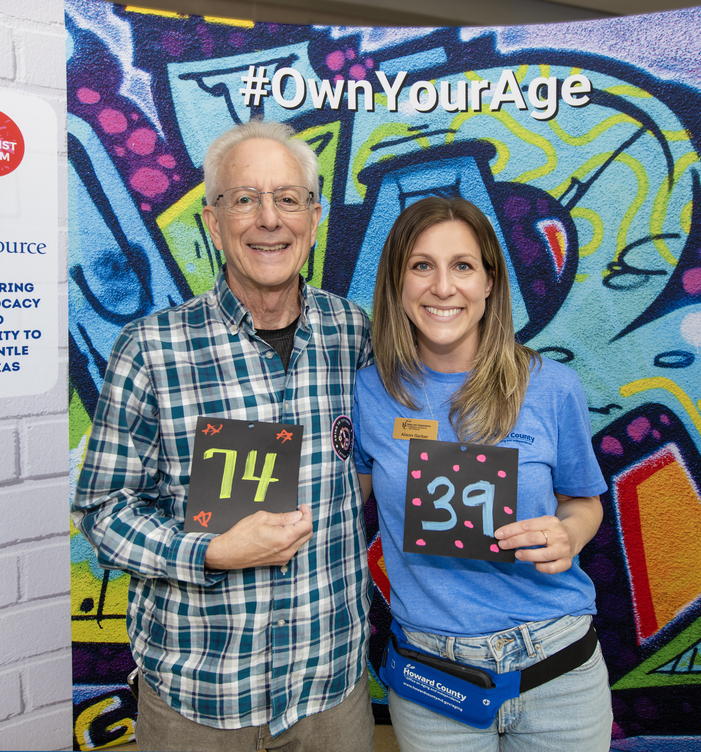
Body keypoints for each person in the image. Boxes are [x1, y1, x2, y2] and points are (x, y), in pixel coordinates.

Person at [73, 120, 375, 751]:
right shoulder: (151, 349)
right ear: (213, 221)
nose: (269, 219)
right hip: (200, 700)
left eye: (288, 198)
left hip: (330, 695)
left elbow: (377, 459)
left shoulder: (354, 334)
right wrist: (210, 552)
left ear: (314, 217)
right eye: (244, 199)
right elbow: (103, 510)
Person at [353, 196, 612, 751]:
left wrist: (569, 534)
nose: (443, 287)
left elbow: (584, 502)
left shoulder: (552, 386)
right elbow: (340, 505)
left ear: (490, 282)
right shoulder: (368, 393)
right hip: (433, 680)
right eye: (422, 265)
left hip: (558, 669)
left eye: (463, 266)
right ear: (397, 281)